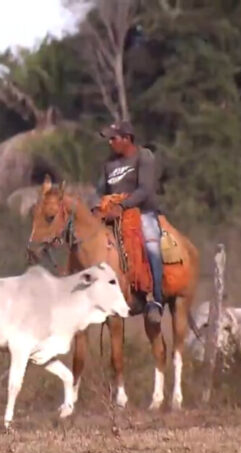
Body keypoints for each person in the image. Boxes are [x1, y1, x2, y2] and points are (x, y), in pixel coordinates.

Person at [94, 120, 165, 325]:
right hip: (112, 214)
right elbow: (98, 192)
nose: (110, 143)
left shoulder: (144, 156)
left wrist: (122, 206)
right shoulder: (109, 164)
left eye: (113, 138)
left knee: (152, 246)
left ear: (127, 139)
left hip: (142, 212)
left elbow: (145, 190)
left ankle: (155, 300)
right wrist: (95, 208)